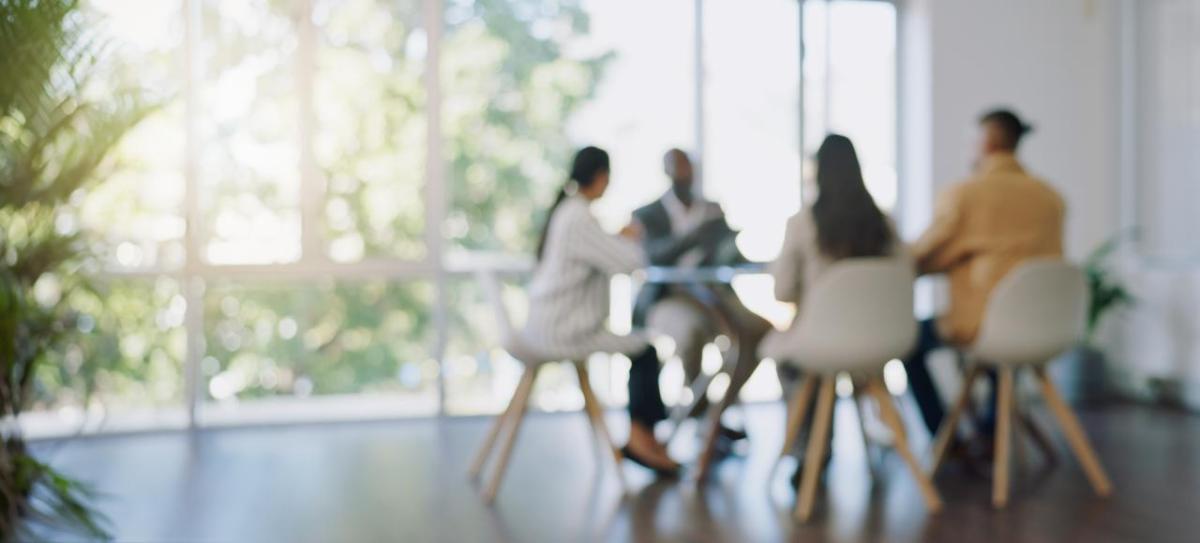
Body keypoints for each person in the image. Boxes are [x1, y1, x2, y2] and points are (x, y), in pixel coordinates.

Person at [903, 108, 1065, 440]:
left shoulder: (966, 194)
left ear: (986, 142)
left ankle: (945, 437)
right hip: (1045, 324)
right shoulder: (1051, 198)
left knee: (908, 341)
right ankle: (992, 429)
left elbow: (922, 254)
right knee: (1005, 326)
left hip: (983, 325)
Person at [521, 146, 680, 475]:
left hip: (548, 326)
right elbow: (630, 263)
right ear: (601, 177)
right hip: (565, 332)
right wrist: (632, 238)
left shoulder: (569, 212)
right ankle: (641, 438)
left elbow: (595, 251)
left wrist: (613, 237)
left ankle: (646, 438)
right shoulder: (580, 216)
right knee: (645, 350)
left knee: (642, 348)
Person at [761, 134, 904, 483]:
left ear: (818, 173)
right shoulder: (885, 224)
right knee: (809, 358)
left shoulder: (802, 223)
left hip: (821, 344)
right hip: (880, 343)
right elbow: (905, 276)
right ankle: (882, 438)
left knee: (790, 362)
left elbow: (782, 291)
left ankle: (809, 449)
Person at [631, 149, 771, 439]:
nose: (684, 174)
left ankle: (715, 413)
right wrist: (695, 234)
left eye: (688, 168)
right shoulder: (647, 214)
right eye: (677, 168)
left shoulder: (712, 209)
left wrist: (735, 247)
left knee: (760, 331)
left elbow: (728, 256)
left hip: (714, 294)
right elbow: (652, 257)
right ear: (666, 172)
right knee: (689, 333)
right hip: (669, 297)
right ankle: (699, 410)